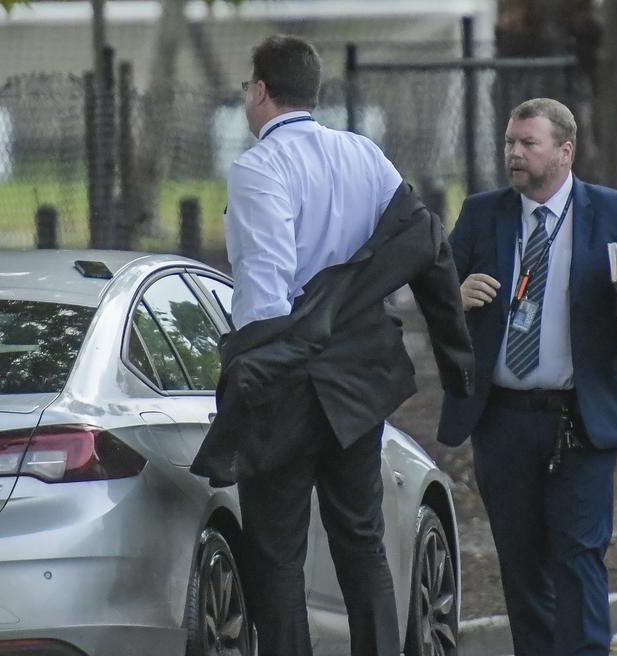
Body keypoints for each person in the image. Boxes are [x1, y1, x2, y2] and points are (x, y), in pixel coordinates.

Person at [190, 34, 474, 656]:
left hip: (286, 379)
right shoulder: (365, 157)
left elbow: (266, 293)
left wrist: (246, 379)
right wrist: (459, 365)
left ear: (261, 92)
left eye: (247, 88)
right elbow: (426, 245)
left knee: (277, 555)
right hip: (359, 381)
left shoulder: (259, 168)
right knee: (361, 539)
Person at [438, 98, 617, 654]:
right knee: (522, 565)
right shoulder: (484, 214)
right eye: (509, 142)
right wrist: (453, 299)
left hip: (579, 421)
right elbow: (435, 290)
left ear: (565, 150)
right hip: (502, 422)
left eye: (528, 143)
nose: (514, 153)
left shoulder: (610, 211)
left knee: (579, 559)